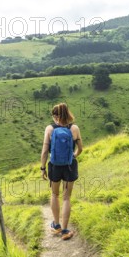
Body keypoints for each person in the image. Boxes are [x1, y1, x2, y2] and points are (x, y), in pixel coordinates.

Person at [40, 103, 83, 240]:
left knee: (54, 194)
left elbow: (45, 151)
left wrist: (43, 168)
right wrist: (73, 156)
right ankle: (65, 230)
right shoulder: (74, 128)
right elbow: (80, 149)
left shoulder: (50, 129)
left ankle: (56, 225)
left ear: (55, 116)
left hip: (55, 166)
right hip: (70, 166)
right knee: (66, 198)